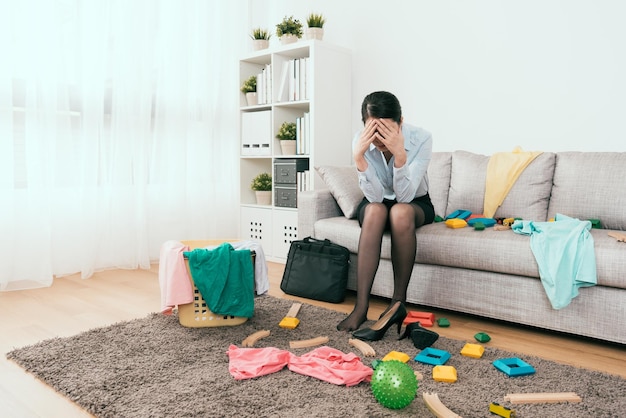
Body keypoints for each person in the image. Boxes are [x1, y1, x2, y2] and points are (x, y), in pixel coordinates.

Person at [337, 91, 435, 341]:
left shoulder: (422, 139)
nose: (379, 139)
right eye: (373, 130)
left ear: (401, 122)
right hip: (376, 202)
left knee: (401, 212)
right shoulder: (360, 141)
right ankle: (361, 307)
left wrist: (400, 155)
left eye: (386, 130)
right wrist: (359, 157)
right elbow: (375, 197)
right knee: (374, 211)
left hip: (413, 201)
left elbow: (405, 197)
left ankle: (397, 304)